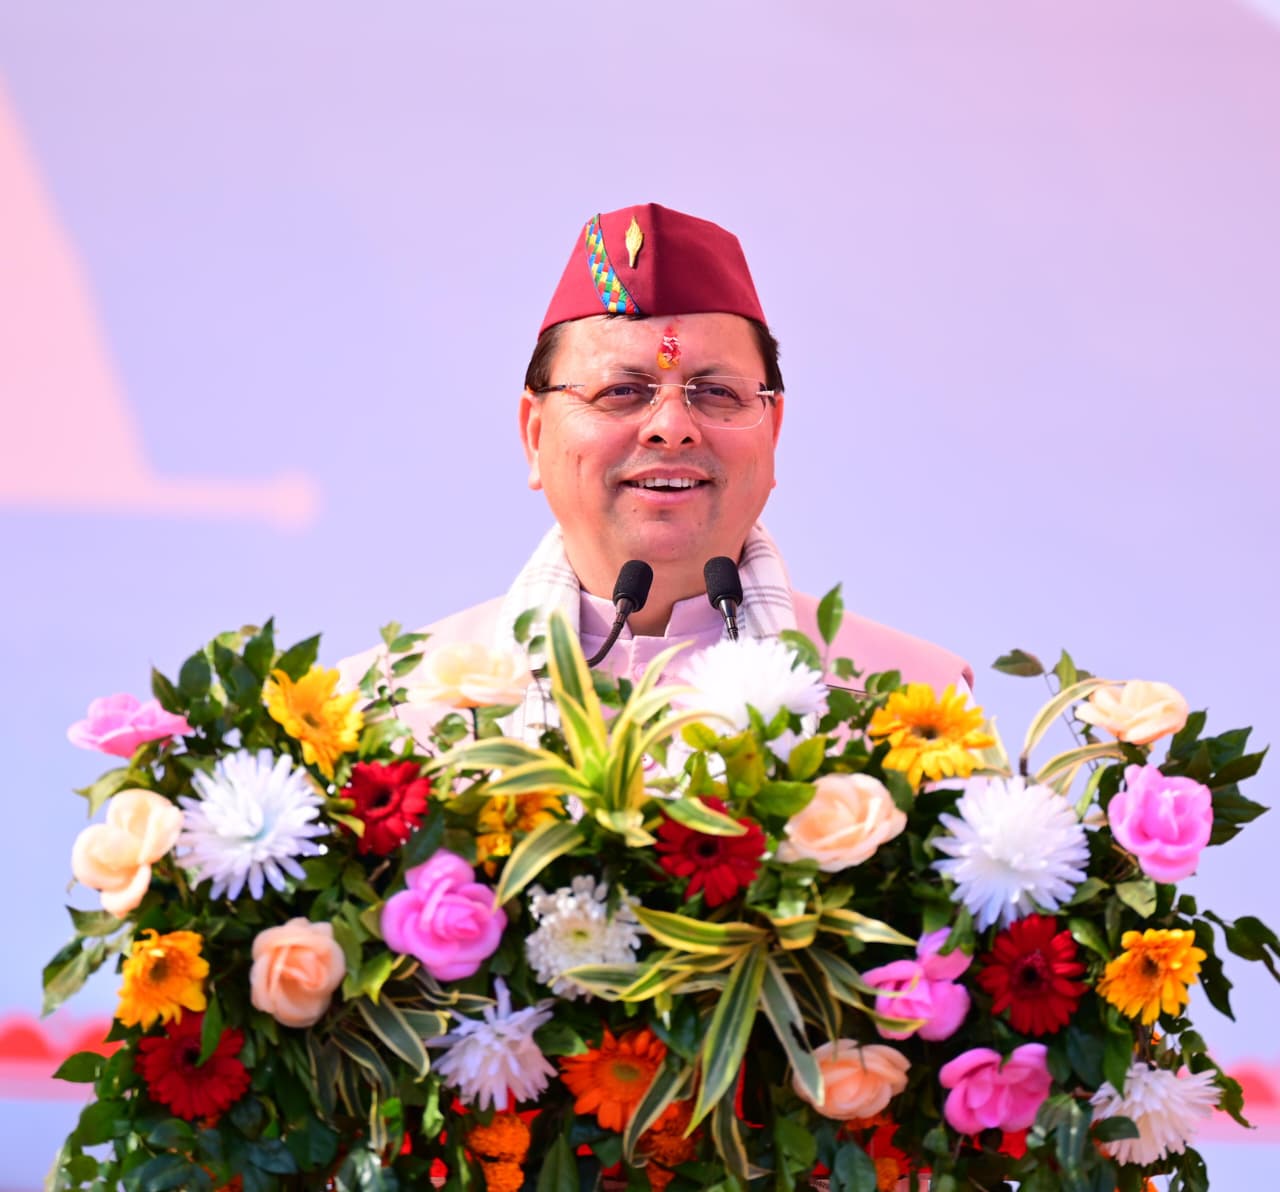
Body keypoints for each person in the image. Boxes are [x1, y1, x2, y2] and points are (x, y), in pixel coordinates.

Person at [343, 203, 970, 715]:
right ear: (535, 434)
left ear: (773, 432)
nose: (672, 429)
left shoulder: (913, 706)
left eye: (717, 393)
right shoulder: (387, 710)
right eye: (621, 391)